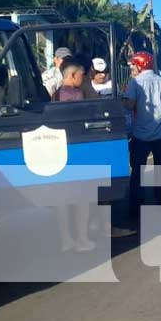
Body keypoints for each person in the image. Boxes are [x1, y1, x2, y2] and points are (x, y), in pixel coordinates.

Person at [52, 57, 95, 252]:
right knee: (83, 199)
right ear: (72, 75)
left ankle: (65, 239)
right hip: (77, 152)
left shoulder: (54, 95)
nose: (83, 79)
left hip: (58, 153)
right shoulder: (76, 94)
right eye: (81, 75)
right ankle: (82, 239)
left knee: (62, 200)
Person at [123, 51, 161, 218]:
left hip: (141, 135)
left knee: (137, 172)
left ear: (139, 65)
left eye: (133, 65)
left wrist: (123, 99)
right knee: (160, 169)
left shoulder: (135, 82)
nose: (132, 68)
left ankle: (136, 207)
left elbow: (129, 105)